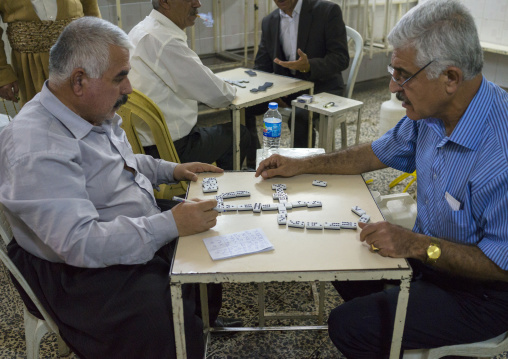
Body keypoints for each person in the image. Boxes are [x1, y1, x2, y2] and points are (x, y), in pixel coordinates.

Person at [255, 0, 508, 357]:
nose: (392, 87)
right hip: (429, 261)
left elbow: (501, 265)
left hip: (481, 293)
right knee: (334, 257)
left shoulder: (500, 151)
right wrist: (304, 164)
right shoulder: (430, 115)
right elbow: (374, 153)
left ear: (450, 77)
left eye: (403, 75)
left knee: (349, 325)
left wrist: (416, 245)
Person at [0, 16, 228, 359]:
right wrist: (169, 224)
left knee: (206, 239)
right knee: (154, 318)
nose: (129, 88)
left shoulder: (88, 108)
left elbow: (119, 162)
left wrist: (171, 169)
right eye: (120, 77)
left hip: (113, 226)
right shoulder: (37, 146)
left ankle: (195, 327)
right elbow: (81, 243)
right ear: (79, 81)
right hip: (74, 268)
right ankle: (180, 339)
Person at [128, 0, 251, 170]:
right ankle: (223, 191)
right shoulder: (165, 40)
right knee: (240, 134)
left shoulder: (141, 29)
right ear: (165, 2)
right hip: (170, 151)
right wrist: (233, 89)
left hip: (141, 145)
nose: (198, 4)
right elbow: (219, 95)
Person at [245, 0, 350, 166]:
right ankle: (253, 160)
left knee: (300, 115)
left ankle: (301, 168)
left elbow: (341, 59)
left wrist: (309, 66)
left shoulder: (327, 11)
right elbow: (262, 65)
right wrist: (271, 92)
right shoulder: (269, 21)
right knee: (243, 105)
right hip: (287, 90)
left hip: (322, 88)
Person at [0, 0, 100, 106]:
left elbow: (92, 13)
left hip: (79, 57)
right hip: (31, 67)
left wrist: (101, 54)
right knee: (40, 116)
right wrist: (2, 73)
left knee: (88, 112)